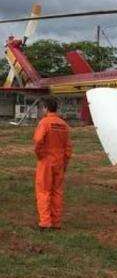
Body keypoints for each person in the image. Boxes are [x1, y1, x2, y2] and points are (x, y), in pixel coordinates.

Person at [33, 96, 72, 230]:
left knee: (44, 191)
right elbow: (68, 148)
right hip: (59, 162)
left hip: (46, 162)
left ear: (45, 108)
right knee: (57, 192)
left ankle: (45, 222)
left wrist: (40, 156)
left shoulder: (44, 123)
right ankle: (56, 222)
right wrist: (64, 164)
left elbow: (38, 142)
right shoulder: (64, 125)